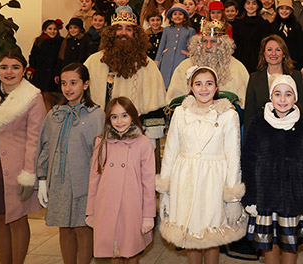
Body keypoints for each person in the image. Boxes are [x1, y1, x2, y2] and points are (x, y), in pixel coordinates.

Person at [157, 66, 247, 263]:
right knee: (190, 235)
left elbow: (233, 157)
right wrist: (165, 190)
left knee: (211, 235)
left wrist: (232, 198)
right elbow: (171, 151)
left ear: (216, 88)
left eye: (209, 83)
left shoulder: (228, 115)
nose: (203, 88)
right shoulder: (181, 113)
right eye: (198, 84)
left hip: (213, 183)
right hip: (185, 181)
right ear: (190, 87)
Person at [0, 50, 47, 264]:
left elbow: (35, 138)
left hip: (18, 167)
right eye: (4, 67)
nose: (9, 72)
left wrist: (29, 173)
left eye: (15, 67)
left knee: (17, 218)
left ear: (24, 70)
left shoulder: (33, 97)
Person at [242, 74, 303, 264]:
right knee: (269, 246)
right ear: (271, 96)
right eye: (277, 94)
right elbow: (248, 161)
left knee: (290, 246)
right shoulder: (258, 123)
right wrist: (249, 197)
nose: (282, 99)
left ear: (295, 98)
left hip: (294, 198)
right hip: (264, 197)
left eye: (288, 94)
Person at [36, 63, 104, 264]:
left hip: (84, 181)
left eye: (74, 83)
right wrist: (42, 178)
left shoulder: (96, 115)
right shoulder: (54, 114)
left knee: (82, 228)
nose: (68, 88)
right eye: (64, 83)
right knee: (63, 227)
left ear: (86, 84)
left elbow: (101, 154)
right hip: (59, 180)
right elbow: (45, 147)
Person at [87, 97, 156, 263]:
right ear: (109, 119)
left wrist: (148, 215)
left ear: (132, 116)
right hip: (106, 205)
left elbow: (149, 183)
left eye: (124, 115)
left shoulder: (143, 143)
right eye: (114, 116)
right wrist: (91, 210)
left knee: (132, 250)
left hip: (131, 206)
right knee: (113, 251)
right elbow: (94, 178)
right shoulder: (101, 142)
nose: (119, 121)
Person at [84, 13, 166, 141]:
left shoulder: (147, 65)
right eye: (118, 28)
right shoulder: (93, 62)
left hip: (135, 136)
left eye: (128, 29)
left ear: (136, 34)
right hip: (99, 133)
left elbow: (155, 103)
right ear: (111, 33)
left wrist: (149, 138)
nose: (123, 32)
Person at [166, 19, 249, 108]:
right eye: (204, 41)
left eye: (213, 41)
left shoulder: (237, 68)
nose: (208, 46)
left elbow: (243, 103)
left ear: (222, 44)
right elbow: (174, 101)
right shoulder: (184, 67)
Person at [243, 35, 303, 132]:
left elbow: (302, 109)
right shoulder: (254, 78)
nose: (273, 53)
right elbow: (249, 115)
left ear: (284, 54)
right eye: (269, 50)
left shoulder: (295, 76)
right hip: (262, 134)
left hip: (290, 133)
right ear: (263, 54)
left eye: (278, 50)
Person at [154, 3, 196, 89]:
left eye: (180, 14)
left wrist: (191, 58)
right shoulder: (166, 30)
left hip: (182, 58)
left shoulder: (190, 31)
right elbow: (161, 46)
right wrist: (157, 60)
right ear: (171, 17)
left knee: (179, 79)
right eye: (175, 14)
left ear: (184, 17)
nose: (177, 16)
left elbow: (193, 47)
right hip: (167, 59)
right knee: (165, 80)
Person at [28, 19, 64, 107]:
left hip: (54, 72)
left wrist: (58, 72)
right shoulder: (39, 41)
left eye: (55, 29)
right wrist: (32, 69)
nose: (52, 31)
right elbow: (33, 56)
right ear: (44, 30)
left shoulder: (61, 41)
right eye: (50, 29)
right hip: (41, 72)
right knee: (43, 93)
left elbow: (61, 58)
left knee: (54, 94)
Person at [232, 0, 271, 73]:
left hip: (258, 59)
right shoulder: (237, 23)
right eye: (248, 3)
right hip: (241, 58)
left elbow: (265, 44)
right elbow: (235, 43)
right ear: (244, 5)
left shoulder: (264, 24)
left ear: (257, 6)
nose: (251, 6)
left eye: (254, 3)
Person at [270, 0, 303, 69]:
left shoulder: (296, 26)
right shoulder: (272, 26)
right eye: (281, 8)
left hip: (292, 63)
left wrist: (302, 66)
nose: (284, 11)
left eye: (287, 9)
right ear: (278, 10)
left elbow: (300, 46)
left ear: (291, 11)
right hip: (275, 62)